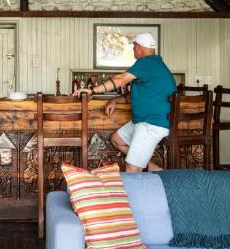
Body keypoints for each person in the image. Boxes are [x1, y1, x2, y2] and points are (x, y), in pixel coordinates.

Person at [73, 32, 176, 172]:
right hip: (143, 120)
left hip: (151, 123)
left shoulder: (146, 63)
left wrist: (92, 90)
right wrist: (116, 100)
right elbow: (138, 93)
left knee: (131, 170)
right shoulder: (156, 63)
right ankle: (152, 167)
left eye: (134, 47)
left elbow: (120, 80)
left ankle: (143, 184)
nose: (133, 50)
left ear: (139, 47)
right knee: (117, 140)